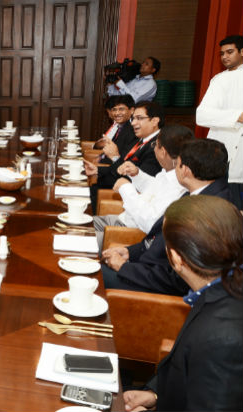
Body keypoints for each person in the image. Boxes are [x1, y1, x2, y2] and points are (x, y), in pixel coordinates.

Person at [123, 195, 243, 411]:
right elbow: (191, 367)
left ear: (176, 259)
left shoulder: (223, 337)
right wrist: (156, 394)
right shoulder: (220, 288)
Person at [101, 138, 231, 295]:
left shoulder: (208, 213)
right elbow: (157, 238)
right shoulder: (200, 193)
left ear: (186, 171)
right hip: (146, 268)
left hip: (153, 287)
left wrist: (124, 267)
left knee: (92, 275)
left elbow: (178, 280)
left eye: (177, 164)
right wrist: (130, 252)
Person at [93, 125, 193, 248]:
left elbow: (149, 222)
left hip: (129, 234)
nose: (154, 149)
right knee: (74, 225)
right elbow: (154, 189)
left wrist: (126, 188)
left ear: (163, 152)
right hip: (122, 220)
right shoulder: (169, 172)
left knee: (74, 237)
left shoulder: (180, 185)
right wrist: (136, 174)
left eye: (155, 145)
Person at [85, 101, 163, 209]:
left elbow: (137, 182)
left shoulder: (157, 147)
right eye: (133, 118)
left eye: (139, 118)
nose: (133, 123)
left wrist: (115, 157)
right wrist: (97, 170)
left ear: (154, 121)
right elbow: (122, 164)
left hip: (115, 196)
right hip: (104, 186)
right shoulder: (140, 140)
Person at [196, 34, 243, 209]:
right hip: (224, 154)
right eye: (222, 53)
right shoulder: (220, 79)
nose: (224, 57)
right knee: (224, 209)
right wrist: (237, 116)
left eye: (230, 52)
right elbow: (202, 115)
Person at [93, 95, 137, 165]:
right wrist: (100, 157)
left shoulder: (133, 130)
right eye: (114, 109)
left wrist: (98, 168)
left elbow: (123, 159)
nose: (117, 113)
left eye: (121, 109)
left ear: (132, 110)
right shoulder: (121, 126)